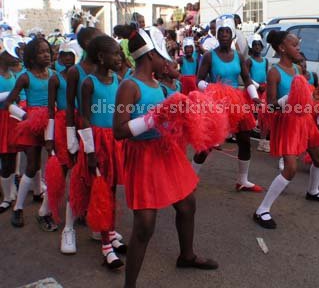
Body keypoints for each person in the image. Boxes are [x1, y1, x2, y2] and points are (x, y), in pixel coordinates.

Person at [113, 26, 217, 287]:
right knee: (145, 224)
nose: (167, 62)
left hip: (166, 153)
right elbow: (119, 130)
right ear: (150, 57)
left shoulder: (159, 86)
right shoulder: (129, 85)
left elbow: (169, 118)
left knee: (187, 204)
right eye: (163, 57)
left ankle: (187, 255)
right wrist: (154, 118)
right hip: (143, 157)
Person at [253, 30, 319, 230]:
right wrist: (289, 97)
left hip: (304, 120)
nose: (298, 48)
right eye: (294, 45)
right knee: (290, 169)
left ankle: (313, 191)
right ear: (282, 48)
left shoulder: (298, 69)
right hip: (287, 123)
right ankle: (262, 210)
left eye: (298, 45)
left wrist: (314, 97)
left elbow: (304, 97)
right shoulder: (274, 72)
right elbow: (270, 106)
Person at [193, 14, 263, 192]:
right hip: (216, 102)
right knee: (207, 143)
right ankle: (191, 178)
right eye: (221, 31)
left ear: (232, 35)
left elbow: (246, 79)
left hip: (236, 102)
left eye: (227, 32)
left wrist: (254, 97)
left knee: (245, 140)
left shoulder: (239, 56)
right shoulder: (209, 56)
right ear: (217, 35)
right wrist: (213, 88)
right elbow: (199, 80)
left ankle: (243, 180)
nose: (224, 34)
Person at [78, 35, 126, 269]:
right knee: (103, 191)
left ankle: (111, 230)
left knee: (113, 187)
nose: (119, 58)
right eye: (115, 53)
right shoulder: (88, 83)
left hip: (114, 140)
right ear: (100, 57)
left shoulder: (118, 80)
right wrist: (89, 151)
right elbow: (84, 117)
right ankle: (106, 243)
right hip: (98, 142)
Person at [4, 38, 57, 230]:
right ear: (32, 58)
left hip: (51, 122)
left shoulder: (53, 75)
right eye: (41, 52)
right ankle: (18, 208)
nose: (46, 55)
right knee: (32, 166)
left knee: (55, 164)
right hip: (32, 123)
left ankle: (46, 209)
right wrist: (26, 115)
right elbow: (8, 103)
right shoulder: (25, 77)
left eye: (48, 51)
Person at [45, 42, 78, 253]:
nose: (67, 58)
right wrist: (49, 138)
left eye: (71, 55)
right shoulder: (55, 78)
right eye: (64, 55)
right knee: (61, 169)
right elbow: (50, 109)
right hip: (60, 124)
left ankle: (76, 211)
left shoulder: (80, 77)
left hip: (77, 123)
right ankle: (46, 210)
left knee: (77, 169)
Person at [65, 28, 102, 163]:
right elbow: (70, 104)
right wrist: (71, 137)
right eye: (100, 40)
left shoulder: (108, 70)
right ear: (88, 43)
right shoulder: (75, 71)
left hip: (107, 130)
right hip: (87, 129)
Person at [0, 38, 21, 214]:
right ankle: (6, 197)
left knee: (12, 157)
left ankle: (10, 191)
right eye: (12, 56)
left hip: (12, 118)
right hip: (1, 120)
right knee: (5, 160)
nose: (15, 60)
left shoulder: (12, 75)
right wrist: (8, 96)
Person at [245, 34, 269, 152]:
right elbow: (246, 77)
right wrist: (257, 86)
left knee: (263, 115)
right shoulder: (249, 61)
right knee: (251, 114)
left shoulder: (265, 60)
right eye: (255, 45)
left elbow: (265, 74)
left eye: (259, 45)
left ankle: (263, 141)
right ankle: (246, 138)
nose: (257, 47)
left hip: (263, 90)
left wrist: (264, 86)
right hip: (253, 90)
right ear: (251, 47)